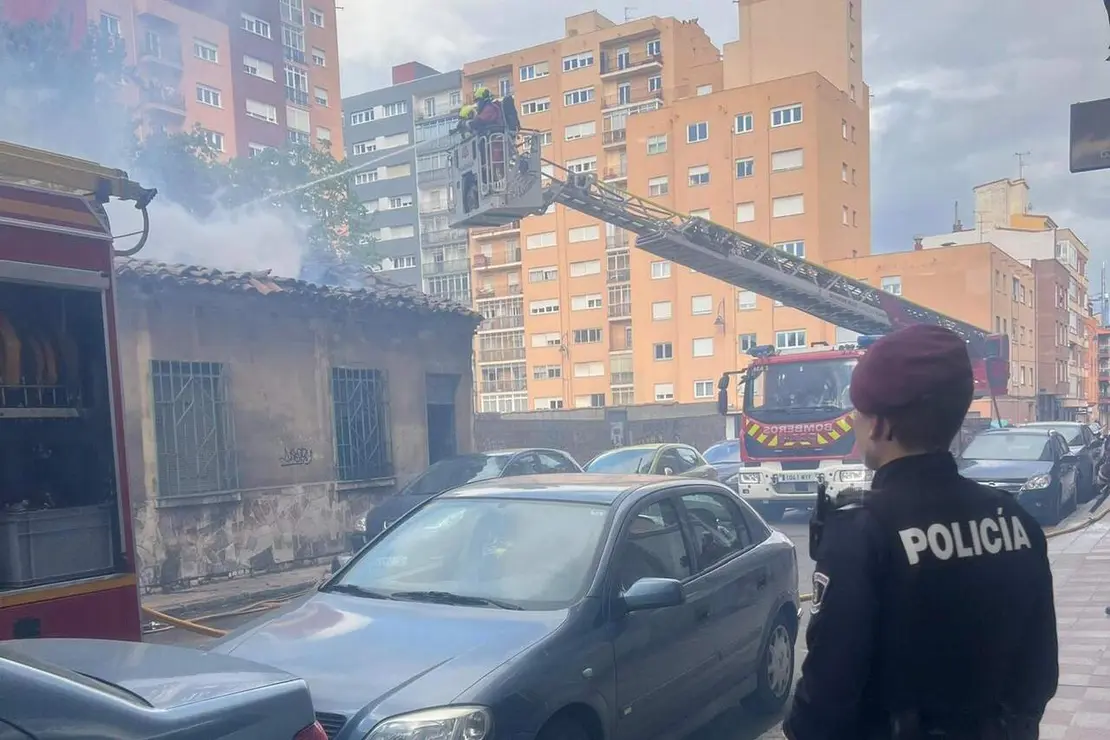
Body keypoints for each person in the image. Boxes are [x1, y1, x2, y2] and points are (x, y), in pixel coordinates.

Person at [783, 324, 1058, 740]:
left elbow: (826, 698)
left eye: (859, 414)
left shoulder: (861, 531)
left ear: (881, 426)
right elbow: (1039, 673)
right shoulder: (1015, 519)